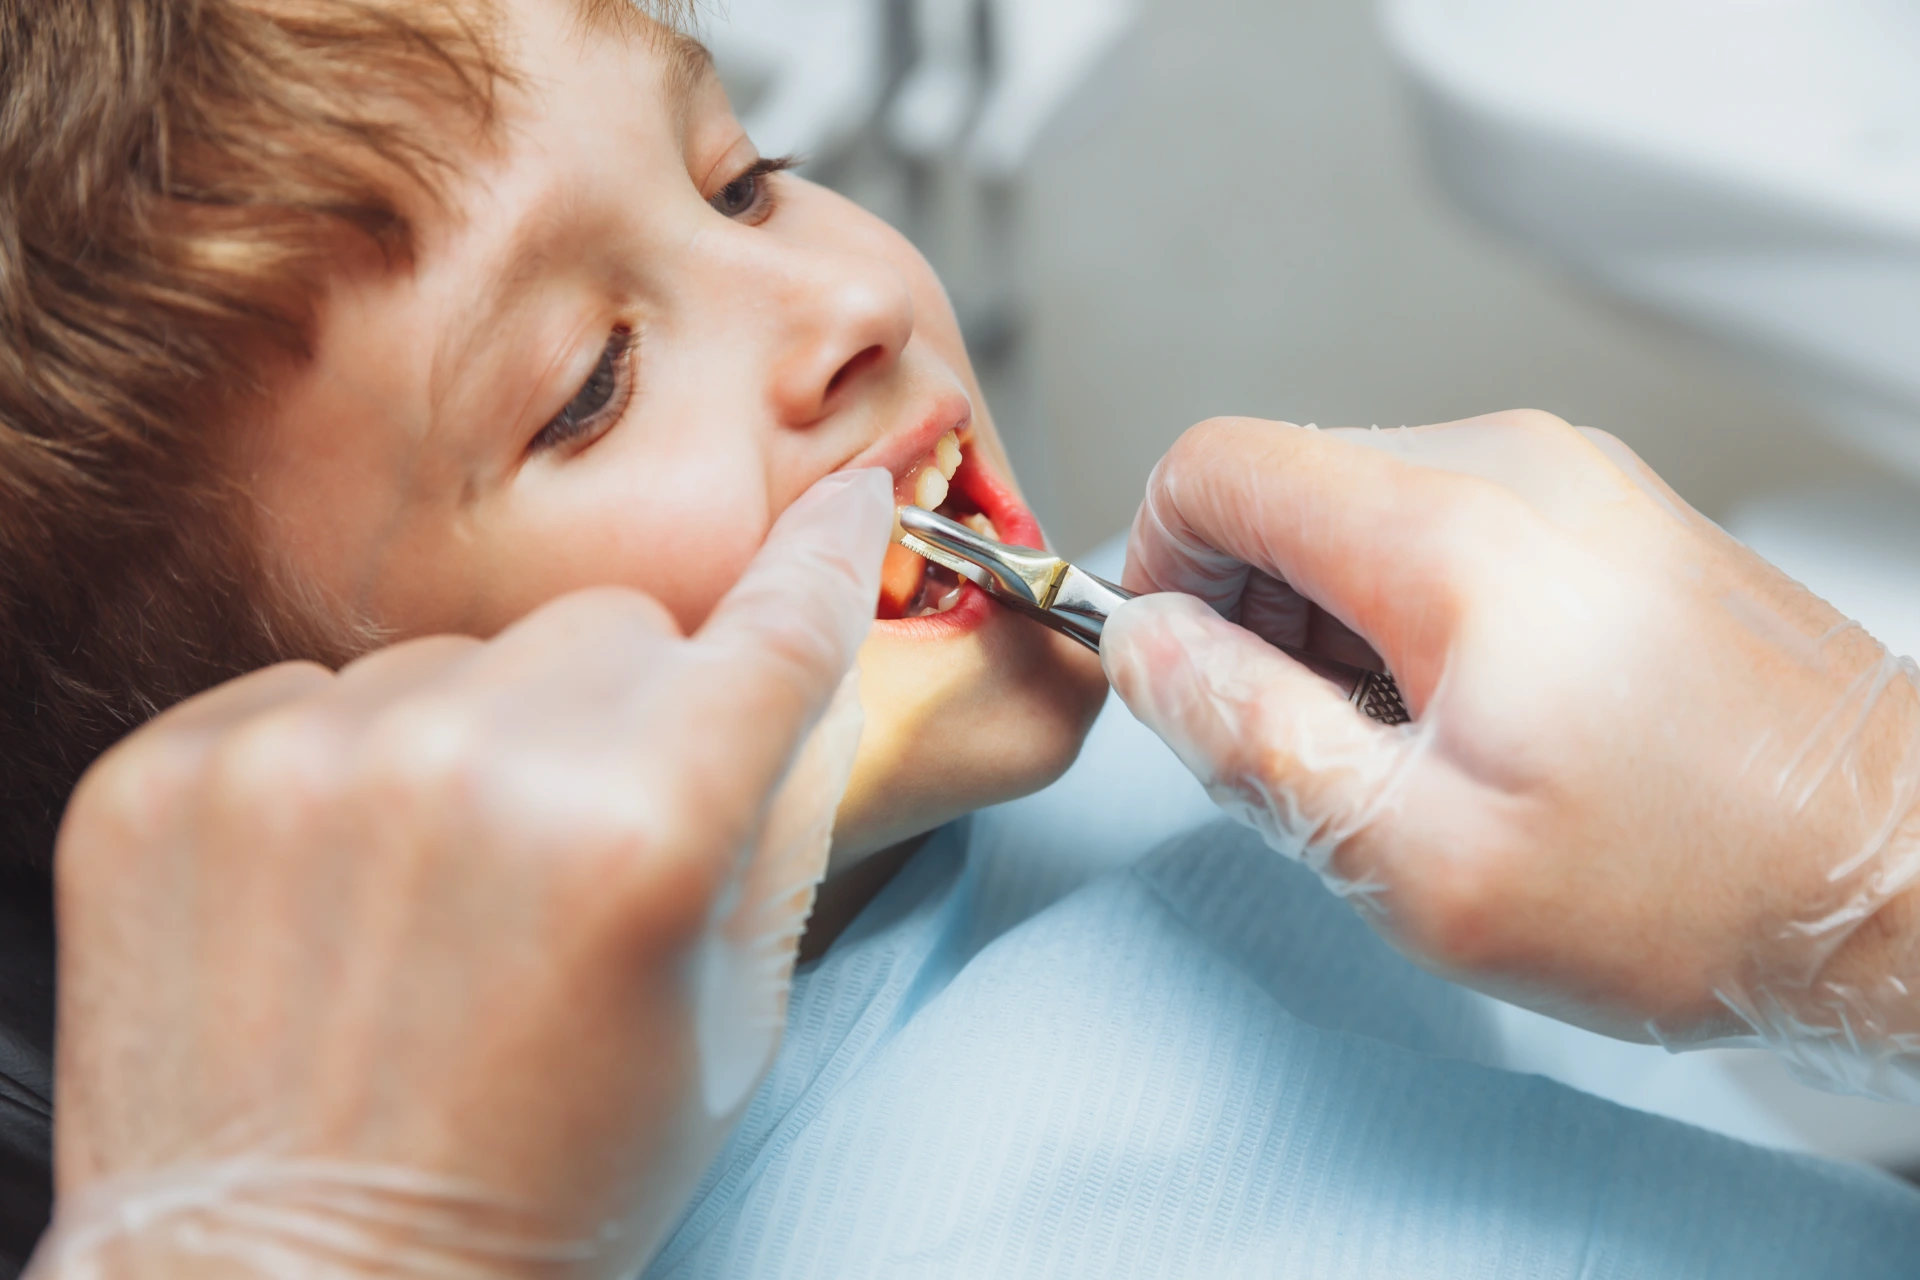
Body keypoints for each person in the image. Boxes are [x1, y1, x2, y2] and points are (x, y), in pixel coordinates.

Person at [5, 0, 1919, 1276]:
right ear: (297, 805)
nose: (840, 291)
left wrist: (1841, 855)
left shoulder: (1171, 733)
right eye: (589, 383)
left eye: (735, 172)